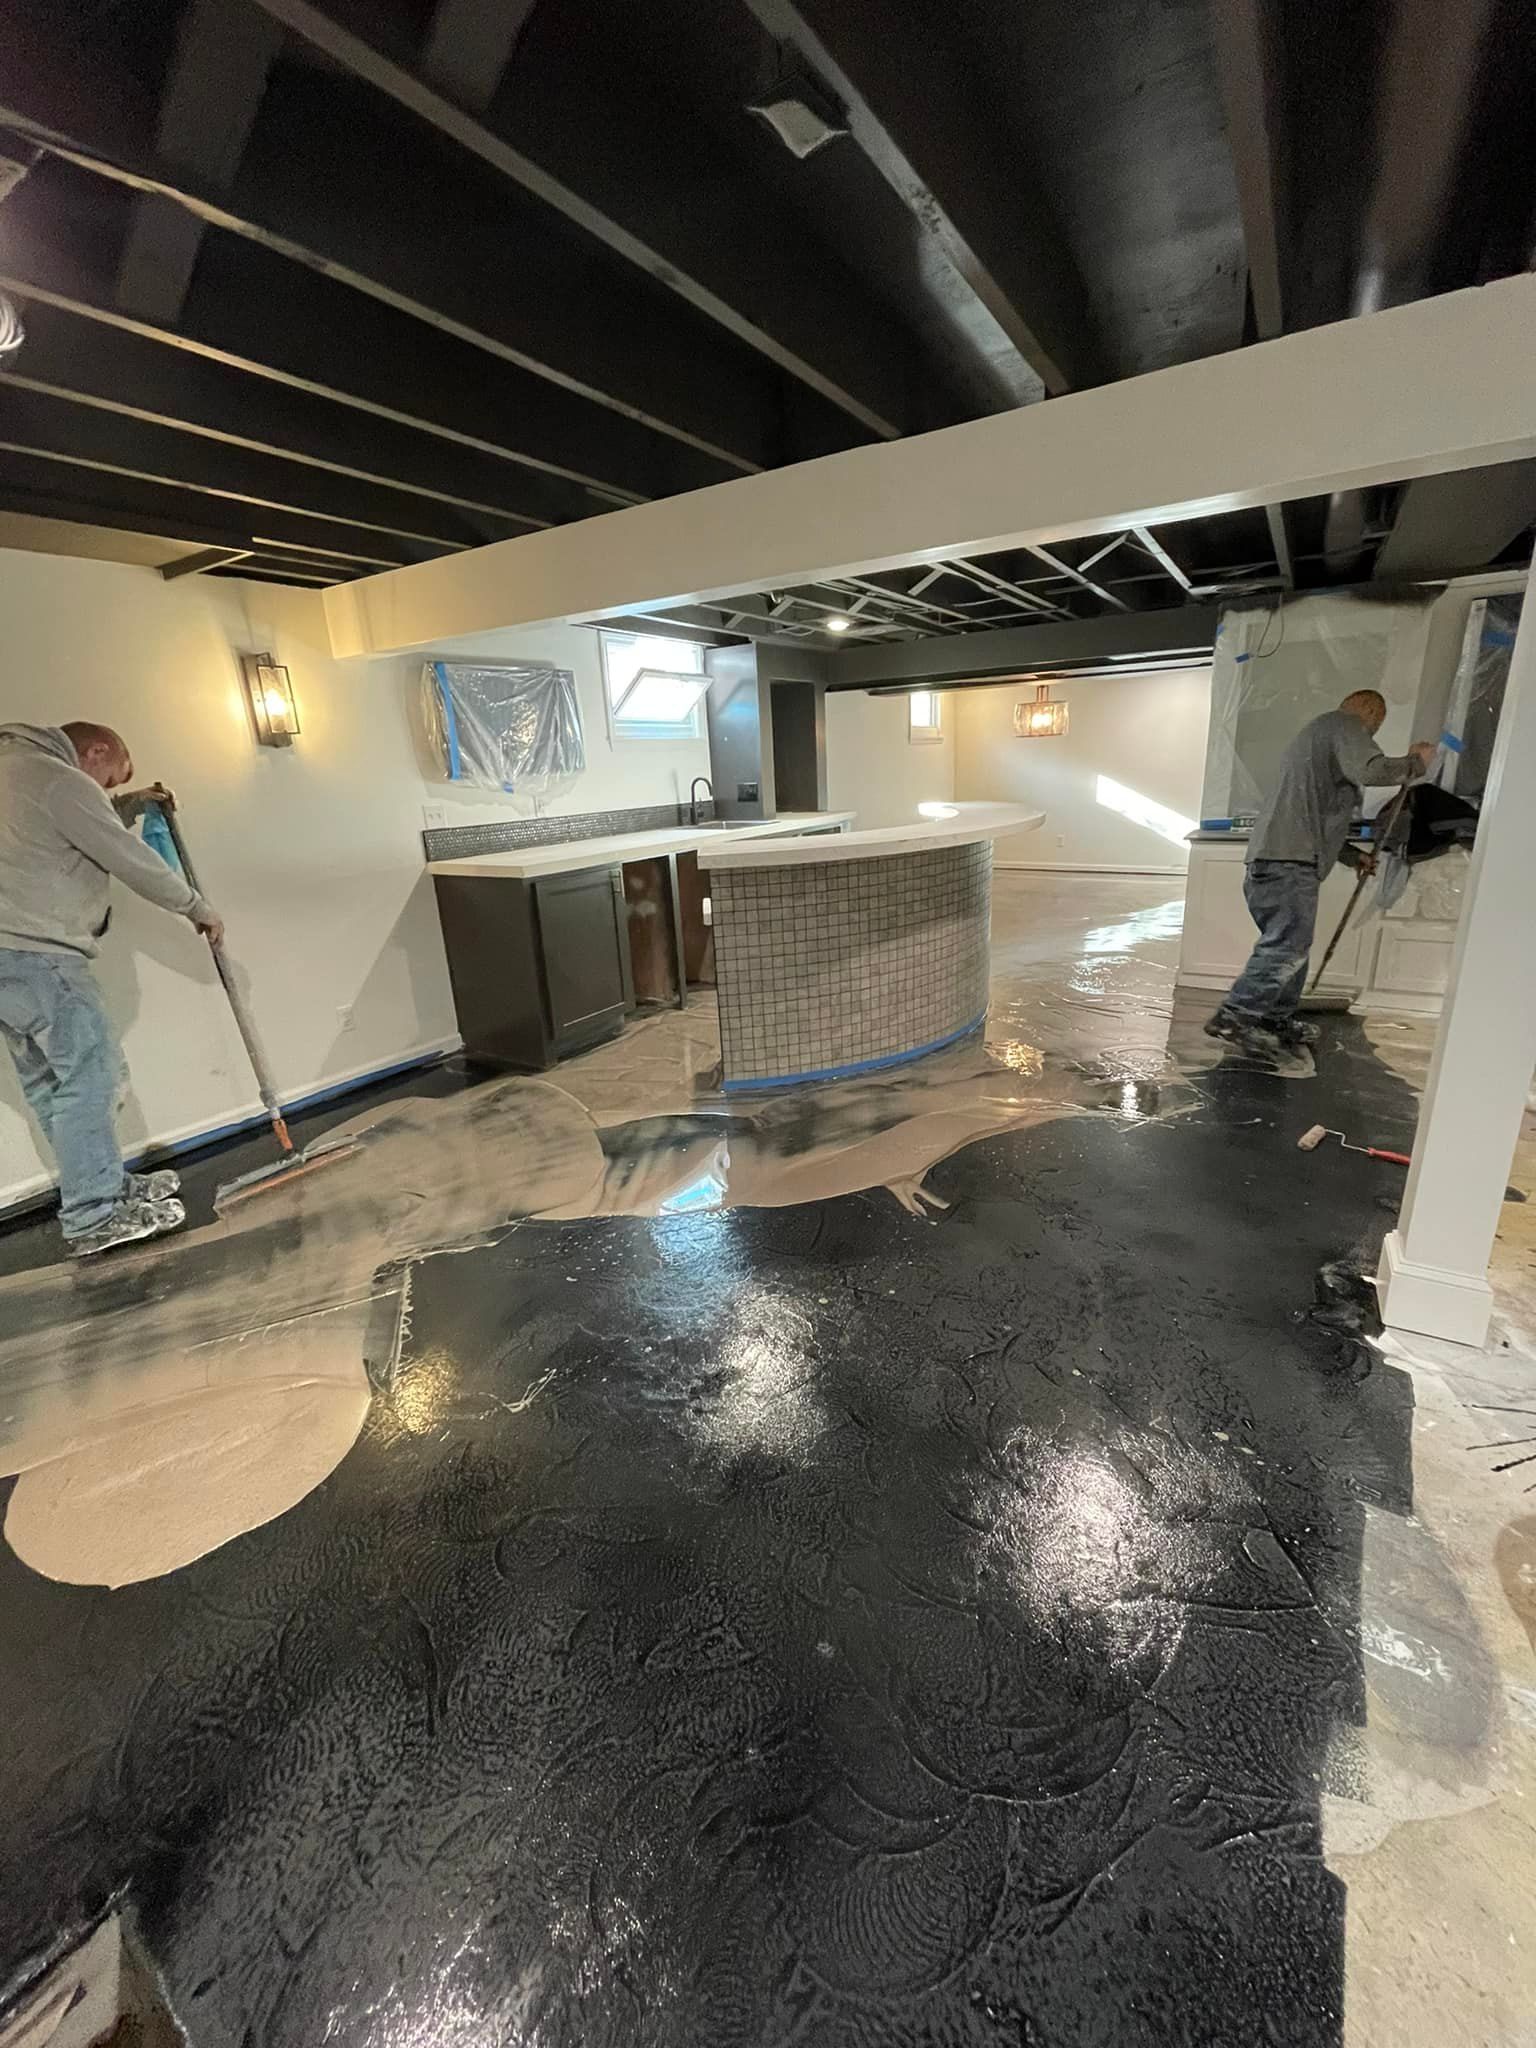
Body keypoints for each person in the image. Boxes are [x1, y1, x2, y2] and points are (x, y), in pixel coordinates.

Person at [0, 721, 223, 1257]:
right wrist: (196, 907)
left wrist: (126, 806)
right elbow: (128, 858)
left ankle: (102, 1187)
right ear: (95, 750)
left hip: (8, 963)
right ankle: (93, 1214)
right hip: (41, 957)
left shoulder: (15, 771)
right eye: (108, 780)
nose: (102, 791)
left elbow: (57, 830)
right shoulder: (58, 779)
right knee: (90, 1081)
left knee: (52, 1087)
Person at [1206, 690, 1435, 1054]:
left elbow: (1313, 815)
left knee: (1292, 945)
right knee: (1287, 946)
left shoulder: (1318, 738)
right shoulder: (1343, 724)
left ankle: (1275, 1018)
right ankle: (1236, 1016)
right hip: (1288, 864)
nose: (1373, 734)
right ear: (1371, 711)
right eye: (1377, 724)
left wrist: (1349, 856)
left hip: (1278, 860)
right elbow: (1371, 769)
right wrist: (1415, 763)